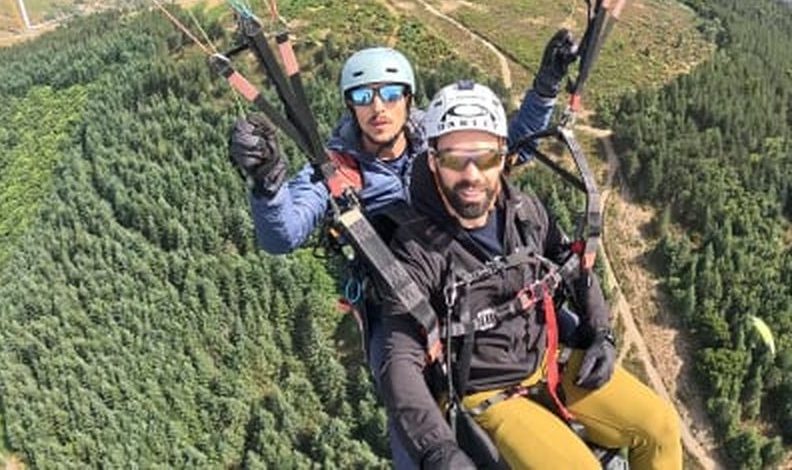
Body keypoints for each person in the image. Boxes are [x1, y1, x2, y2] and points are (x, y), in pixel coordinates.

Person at [229, 33, 577, 468]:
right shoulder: (337, 170)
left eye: (391, 94)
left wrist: (546, 86)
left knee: (570, 326)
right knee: (407, 406)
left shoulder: (432, 138)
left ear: (409, 99)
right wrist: (267, 183)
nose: (379, 107)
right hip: (399, 306)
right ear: (350, 104)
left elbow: (510, 146)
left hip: (470, 278)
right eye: (364, 95)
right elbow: (281, 236)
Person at [378, 81, 682, 470]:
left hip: (548, 359)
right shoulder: (417, 251)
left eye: (485, 158)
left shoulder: (523, 212)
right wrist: (438, 450)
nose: (471, 175)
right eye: (455, 158)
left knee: (659, 429)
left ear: (503, 159)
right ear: (434, 161)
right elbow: (398, 360)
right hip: (486, 393)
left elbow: (573, 263)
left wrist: (601, 331)